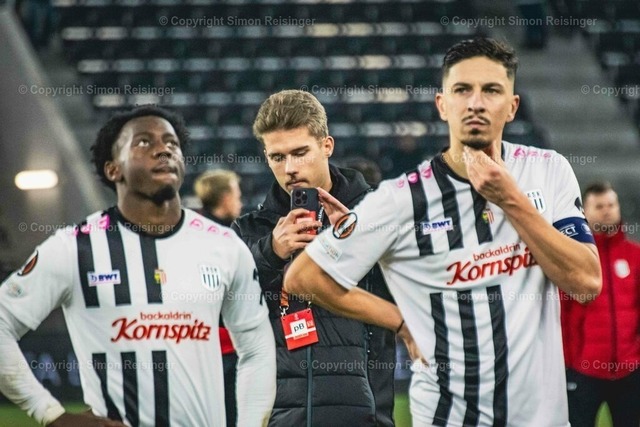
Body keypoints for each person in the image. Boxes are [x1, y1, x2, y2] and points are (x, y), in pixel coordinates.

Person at [284, 37, 602, 426]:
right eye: (462, 90)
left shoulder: (548, 170)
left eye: (491, 90)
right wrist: (401, 321)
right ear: (442, 105)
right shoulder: (403, 199)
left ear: (512, 106)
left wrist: (511, 201)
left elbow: (586, 283)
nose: (476, 103)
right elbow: (304, 277)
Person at [0, 105, 276, 426]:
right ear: (113, 169)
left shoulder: (224, 246)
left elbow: (256, 348)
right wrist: (51, 414)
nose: (164, 150)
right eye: (144, 142)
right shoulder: (74, 248)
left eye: (172, 143)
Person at [231, 89, 397, 426]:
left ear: (327, 146)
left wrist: (360, 241)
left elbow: (415, 295)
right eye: (278, 157)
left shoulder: (377, 213)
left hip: (363, 417)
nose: (290, 168)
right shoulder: (249, 231)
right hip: (278, 419)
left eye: (300, 153)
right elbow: (222, 310)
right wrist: (270, 253)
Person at [561, 182, 640, 427]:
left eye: (611, 205)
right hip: (584, 371)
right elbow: (563, 315)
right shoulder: (574, 258)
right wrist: (569, 364)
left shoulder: (635, 255)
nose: (607, 211)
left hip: (630, 371)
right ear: (584, 211)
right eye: (599, 206)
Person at [193, 169, 244, 427]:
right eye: (237, 195)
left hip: (202, 347)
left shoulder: (190, 233)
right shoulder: (225, 238)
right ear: (225, 198)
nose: (240, 202)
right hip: (225, 347)